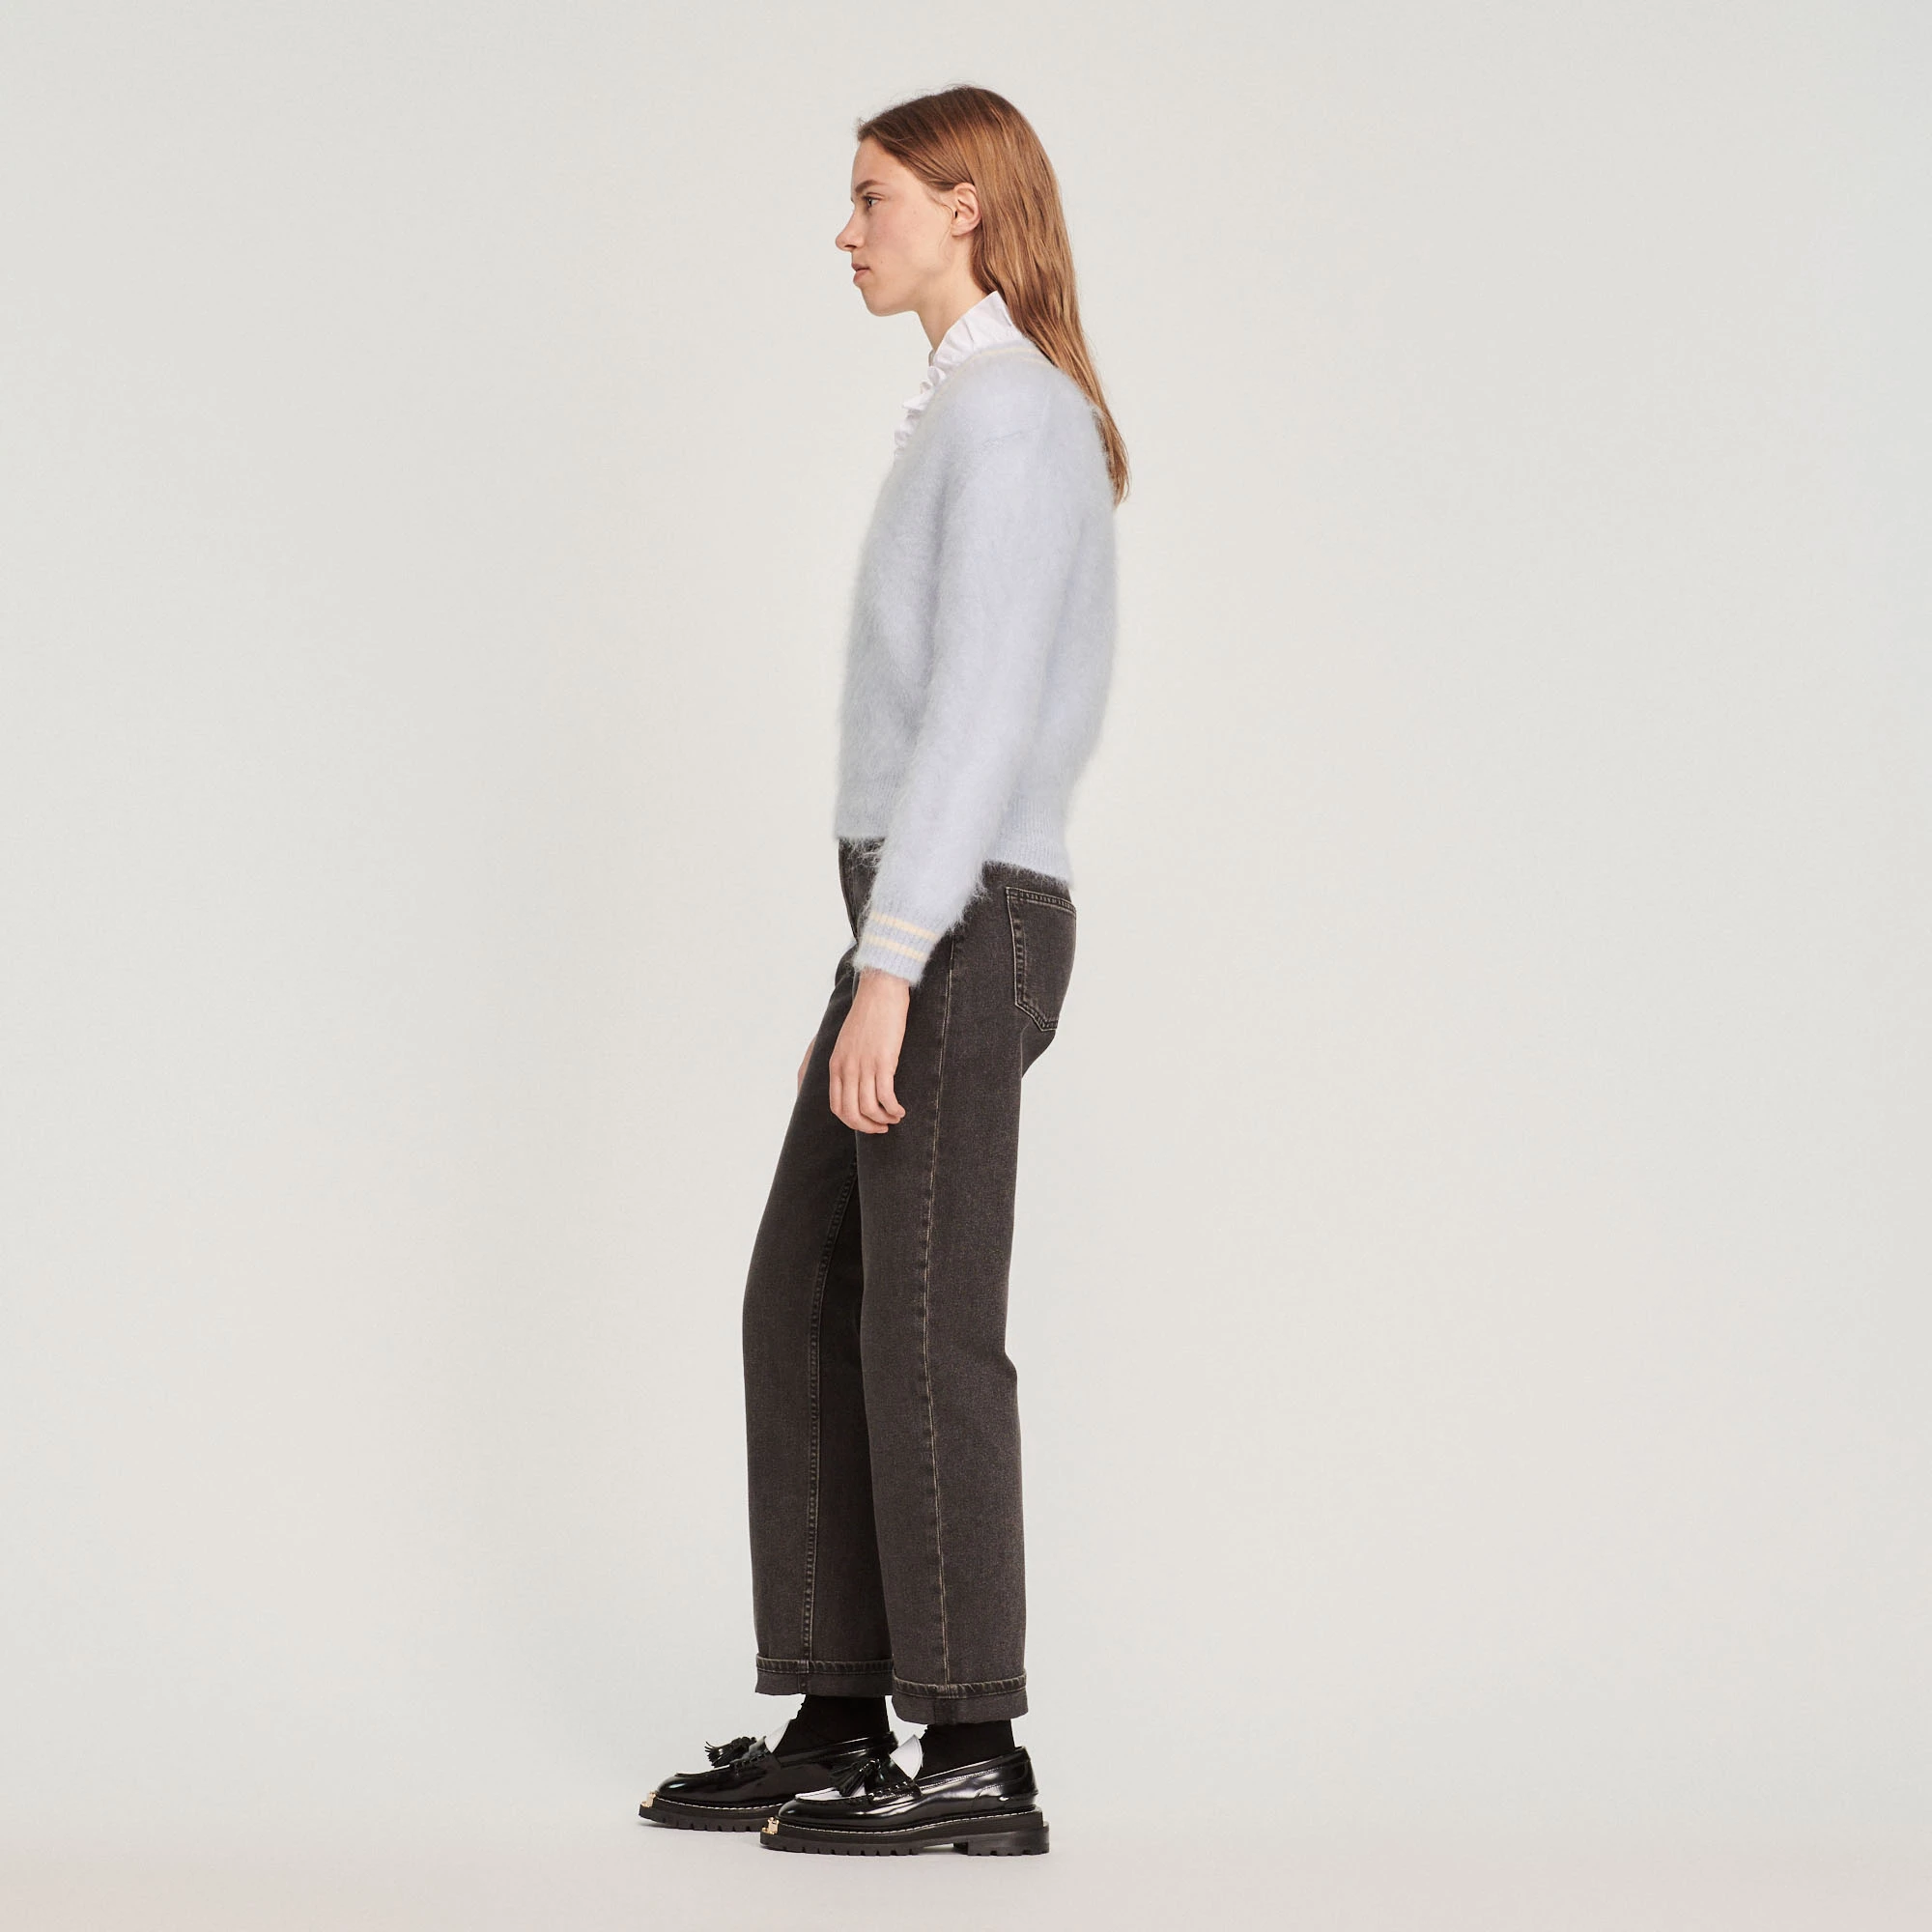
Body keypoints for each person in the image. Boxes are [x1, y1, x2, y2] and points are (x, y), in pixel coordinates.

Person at [639, 83, 1126, 1859]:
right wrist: (870, 961)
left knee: (925, 1323)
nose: (846, 232)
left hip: (965, 912)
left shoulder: (1014, 417)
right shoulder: (970, 412)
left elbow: (981, 718)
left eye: (873, 198)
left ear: (965, 207)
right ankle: (842, 1718)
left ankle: (976, 1749)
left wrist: (899, 960)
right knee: (810, 1292)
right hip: (925, 914)